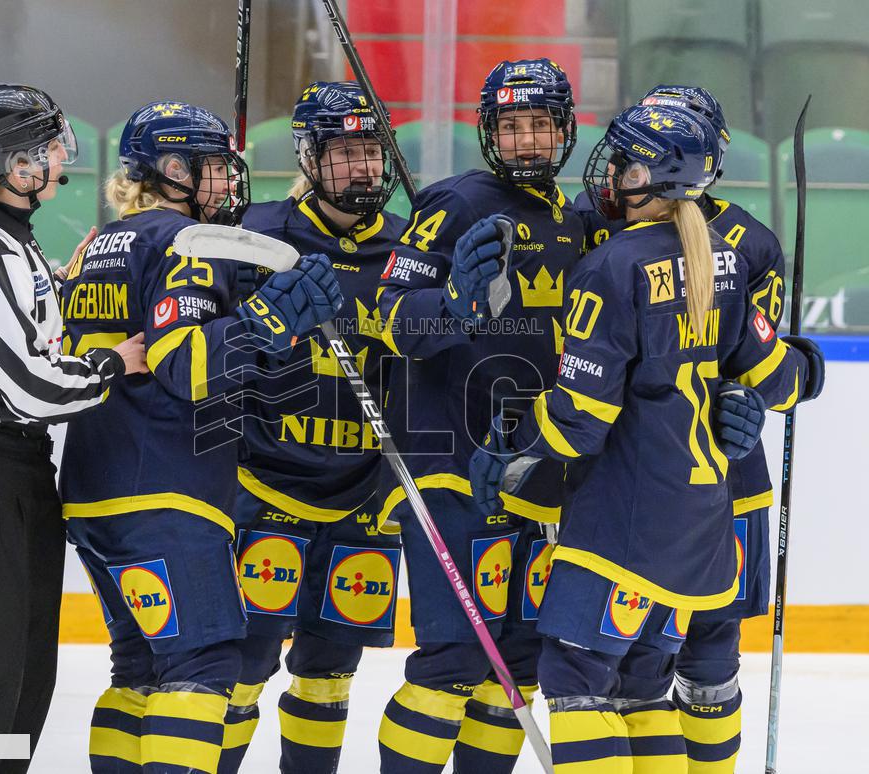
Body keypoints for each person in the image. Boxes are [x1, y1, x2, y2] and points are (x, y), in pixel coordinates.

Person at [469, 102, 825, 772]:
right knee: (640, 687)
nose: (612, 172)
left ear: (653, 176)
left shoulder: (614, 265)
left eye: (626, 162)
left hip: (623, 523)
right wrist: (808, 367)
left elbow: (579, 421)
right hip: (697, 523)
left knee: (575, 676)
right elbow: (766, 370)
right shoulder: (723, 261)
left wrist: (514, 440)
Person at [58, 100, 342, 774]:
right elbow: (184, 365)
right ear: (174, 169)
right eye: (213, 166)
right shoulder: (189, 243)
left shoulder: (97, 245)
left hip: (94, 491)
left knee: (139, 668)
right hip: (168, 493)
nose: (227, 180)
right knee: (203, 664)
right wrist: (268, 321)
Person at [0, 82, 146, 774]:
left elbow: (34, 336)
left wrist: (80, 283)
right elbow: (32, 386)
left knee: (21, 684)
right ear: (13, 165)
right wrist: (112, 364)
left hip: (16, 471)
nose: (59, 155)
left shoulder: (16, 246)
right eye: (46, 147)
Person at [373, 58, 584, 773]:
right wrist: (453, 305)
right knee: (456, 658)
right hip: (448, 463)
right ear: (490, 132)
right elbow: (389, 317)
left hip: (532, 467)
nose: (527, 140)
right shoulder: (456, 202)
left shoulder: (574, 219)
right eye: (512, 125)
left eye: (540, 124)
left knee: (518, 662)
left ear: (565, 130)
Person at [577, 84, 791, 772]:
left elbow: (767, 365)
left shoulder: (750, 243)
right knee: (632, 666)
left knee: (707, 660)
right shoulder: (601, 218)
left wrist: (752, 398)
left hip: (725, 480)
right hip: (634, 479)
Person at [218, 80, 405, 774]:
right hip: (265, 485)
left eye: (371, 150)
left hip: (364, 495)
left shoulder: (412, 247)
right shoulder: (256, 235)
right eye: (343, 151)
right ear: (308, 156)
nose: (361, 166)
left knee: (330, 673)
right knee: (242, 667)